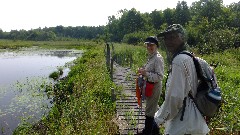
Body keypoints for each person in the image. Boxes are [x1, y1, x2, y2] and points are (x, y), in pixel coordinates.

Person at [154, 24, 210, 135]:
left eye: (173, 37)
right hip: (196, 122)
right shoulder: (190, 57)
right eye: (166, 38)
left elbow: (175, 98)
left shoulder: (179, 61)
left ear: (182, 38)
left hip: (183, 126)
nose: (169, 41)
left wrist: (157, 120)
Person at [138, 36, 164, 135]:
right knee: (150, 109)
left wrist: (146, 74)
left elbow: (160, 76)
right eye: (147, 45)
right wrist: (143, 71)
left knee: (150, 111)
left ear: (156, 46)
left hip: (154, 87)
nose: (149, 47)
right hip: (149, 86)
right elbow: (150, 71)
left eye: (151, 45)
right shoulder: (151, 56)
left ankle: (147, 132)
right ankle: (155, 131)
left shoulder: (157, 58)